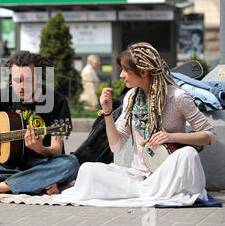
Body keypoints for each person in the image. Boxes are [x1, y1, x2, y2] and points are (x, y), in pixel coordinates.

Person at [54, 42, 216, 207]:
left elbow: (210, 136)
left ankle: (146, 191)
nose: (121, 75)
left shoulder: (178, 97)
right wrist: (108, 112)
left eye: (125, 70)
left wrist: (171, 136)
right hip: (136, 176)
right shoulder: (131, 97)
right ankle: (147, 191)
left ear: (143, 72)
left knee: (188, 155)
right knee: (88, 170)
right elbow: (116, 146)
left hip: (166, 173)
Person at [0, 51, 80, 196]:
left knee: (70, 163)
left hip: (41, 164)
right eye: (17, 80)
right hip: (9, 165)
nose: (22, 87)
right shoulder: (5, 95)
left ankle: (2, 187)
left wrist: (40, 148)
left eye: (28, 80)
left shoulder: (57, 102)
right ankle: (36, 182)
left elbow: (56, 150)